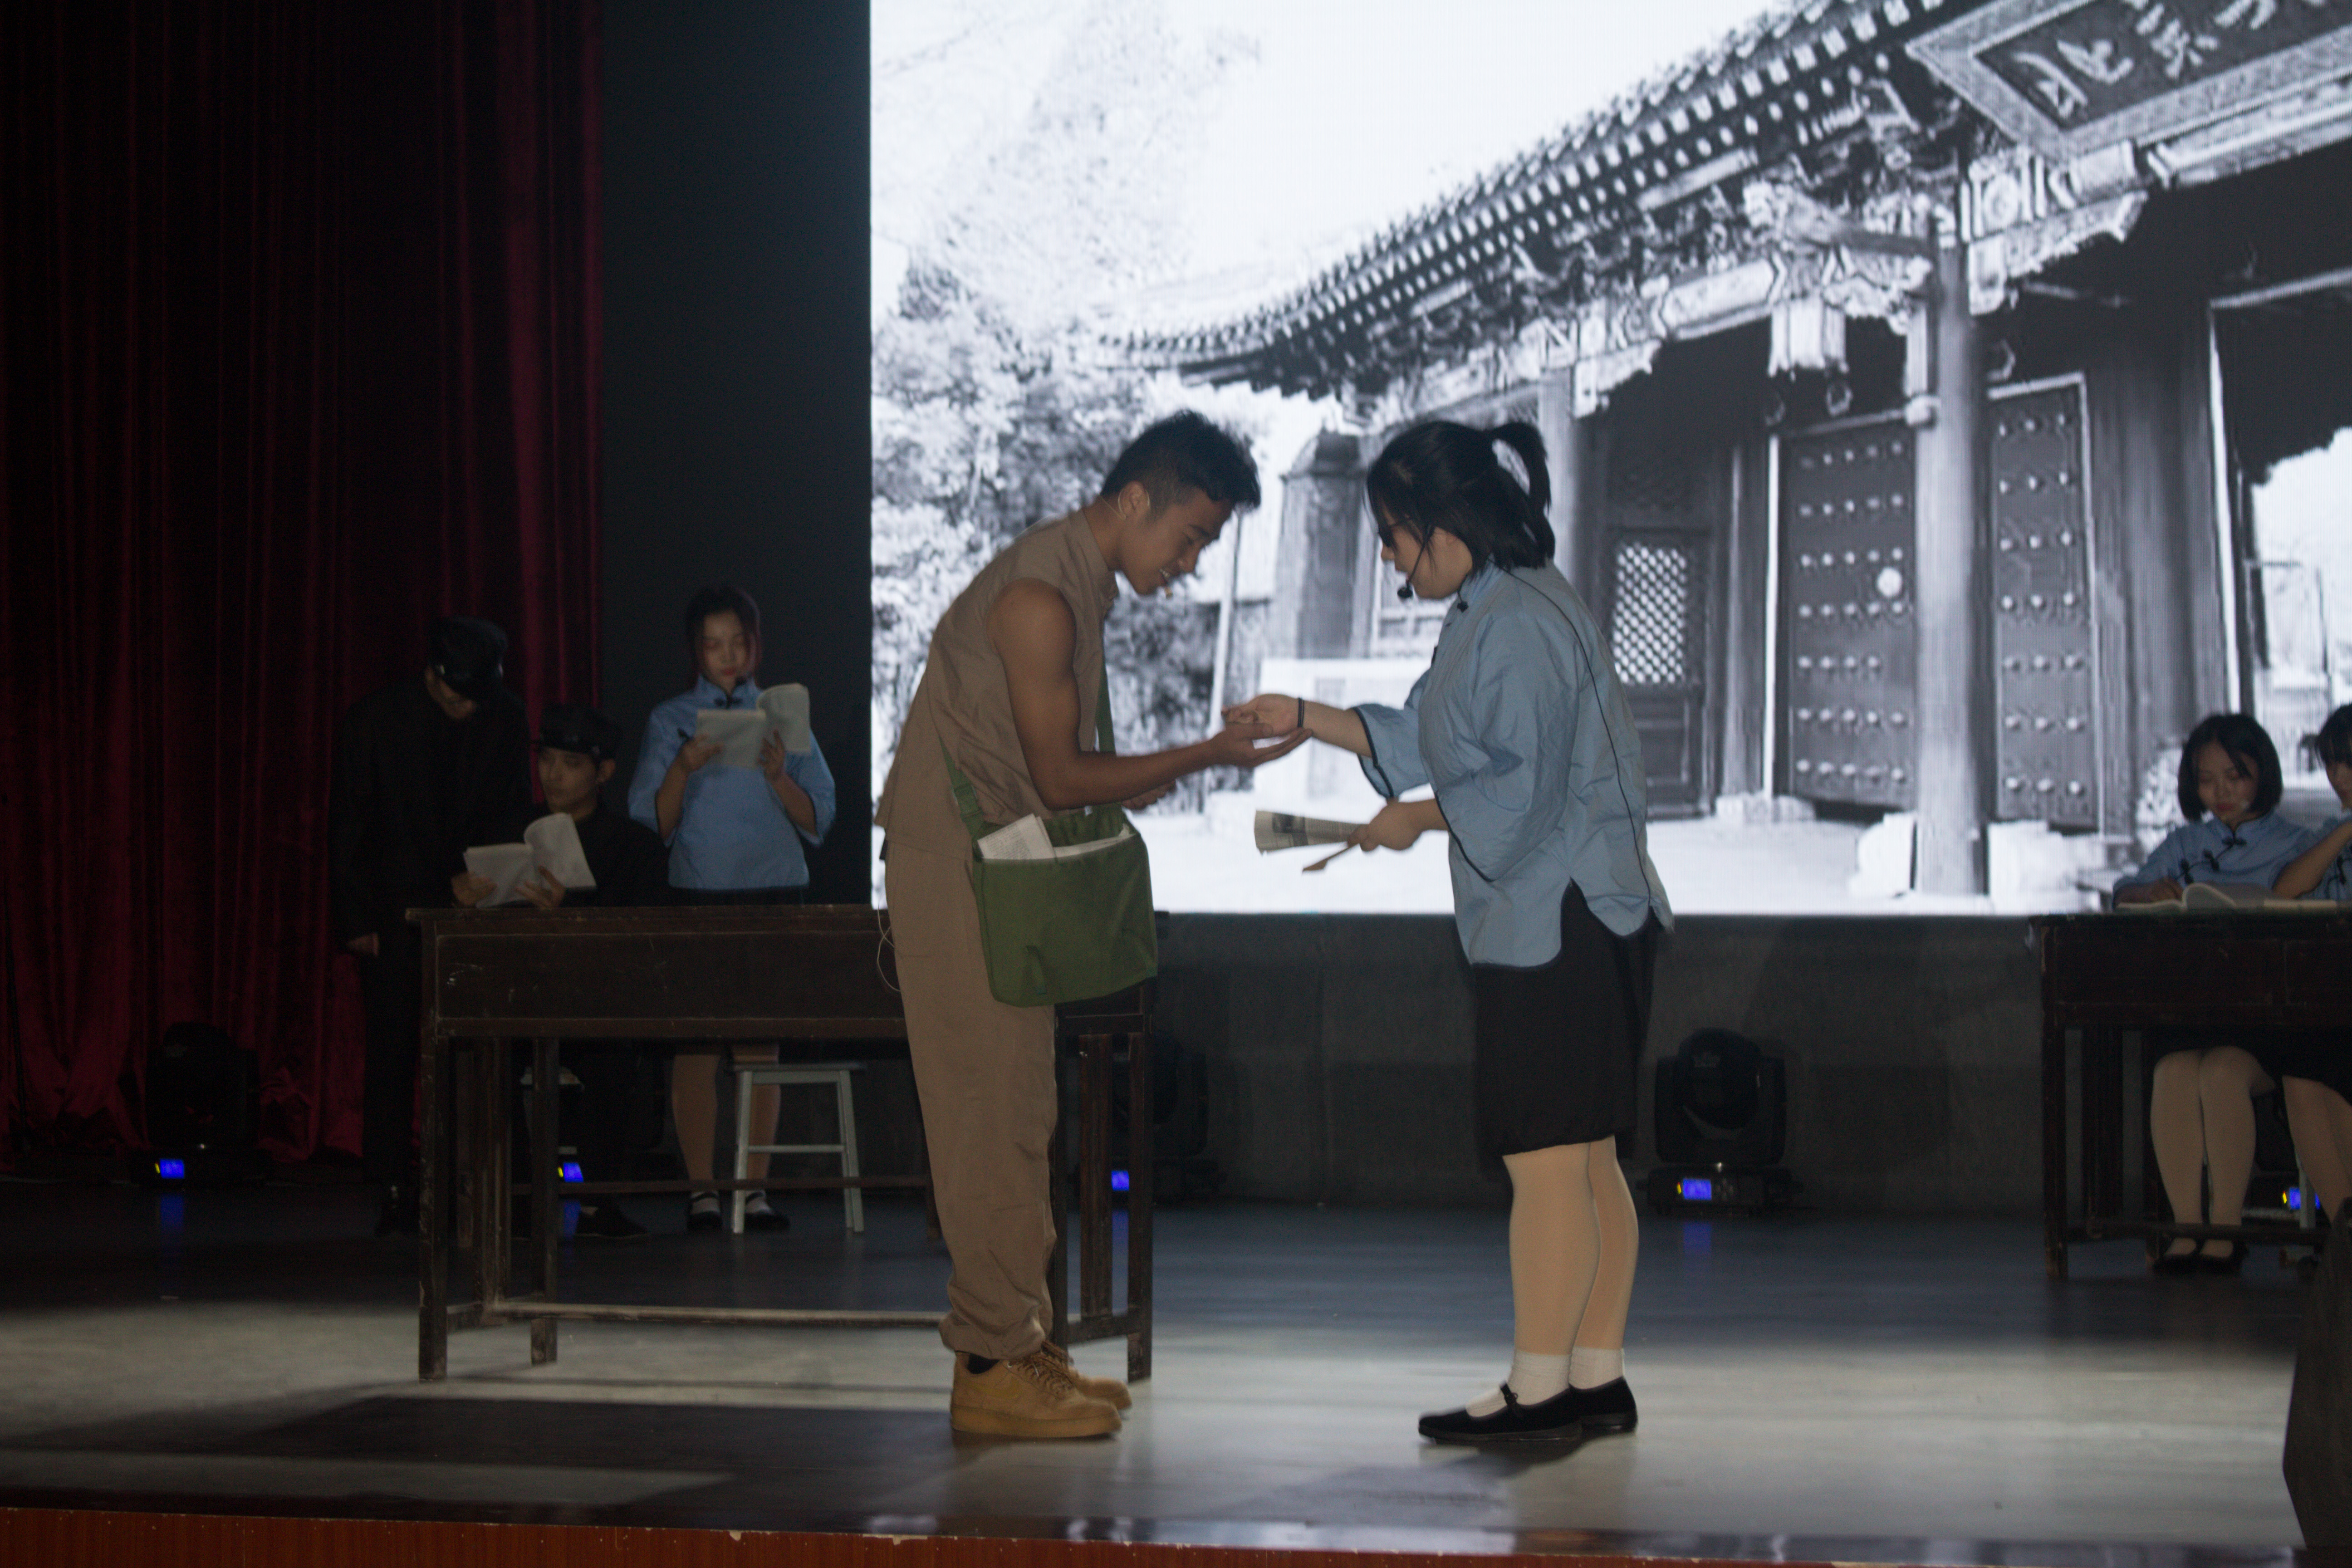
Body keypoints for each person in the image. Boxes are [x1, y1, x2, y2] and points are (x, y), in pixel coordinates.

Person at [1228, 419, 1671, 1446]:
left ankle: (1541, 1389)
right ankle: (1592, 1377)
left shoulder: (1514, 621)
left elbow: (1517, 793)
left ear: (1444, 521)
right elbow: (1428, 731)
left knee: (1546, 1161)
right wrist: (1305, 715)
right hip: (1584, 914)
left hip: (1558, 918)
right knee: (1585, 1159)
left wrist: (1417, 819)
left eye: (1394, 536)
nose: (1390, 560)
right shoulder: (1497, 604)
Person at [877, 411, 1305, 1439]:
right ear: (1133, 500)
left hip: (992, 872)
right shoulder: (1038, 598)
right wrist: (1207, 754)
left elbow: (1059, 773)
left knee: (1020, 1111)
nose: (1190, 563)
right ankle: (989, 1362)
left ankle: (1019, 1341)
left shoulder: (1073, 585)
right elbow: (1064, 778)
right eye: (1189, 537)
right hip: (958, 875)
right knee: (988, 1117)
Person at [627, 586, 836, 1234]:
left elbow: (820, 818)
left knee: (759, 1045)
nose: (727, 656)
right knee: (695, 1046)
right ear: (696, 650)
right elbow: (654, 823)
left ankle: (754, 1190)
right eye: (713, 644)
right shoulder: (670, 718)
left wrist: (778, 776)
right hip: (699, 894)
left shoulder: (782, 715)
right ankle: (702, 1193)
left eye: (738, 643)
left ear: (755, 646)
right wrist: (683, 767)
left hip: (773, 893)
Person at [329, 616, 532, 1236]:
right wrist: (356, 918)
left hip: (476, 902)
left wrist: (496, 884)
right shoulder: (374, 720)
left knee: (486, 1048)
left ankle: (492, 1182)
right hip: (395, 907)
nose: (468, 709)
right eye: (458, 698)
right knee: (394, 1047)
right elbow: (350, 825)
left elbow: (511, 809)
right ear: (433, 676)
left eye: (478, 699)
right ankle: (394, 1184)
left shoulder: (504, 716)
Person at [454, 703, 671, 1240]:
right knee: (485, 1054)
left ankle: (598, 1202)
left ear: (603, 772)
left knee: (615, 1057)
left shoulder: (634, 846)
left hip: (595, 1004)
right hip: (519, 1001)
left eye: (571, 764)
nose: (553, 774)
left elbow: (640, 941)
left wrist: (570, 913)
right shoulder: (506, 831)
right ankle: (515, 1199)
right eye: (547, 759)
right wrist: (464, 899)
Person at [2114, 713, 2317, 1272]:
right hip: (2199, 1008)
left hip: (2270, 1018)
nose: (2220, 792)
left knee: (2222, 1074)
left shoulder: (2297, 843)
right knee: (2171, 1071)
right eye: (2206, 780)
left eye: (2235, 776)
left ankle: (2225, 1230)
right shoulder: (2185, 843)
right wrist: (2146, 895)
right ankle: (2187, 1230)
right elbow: (2124, 892)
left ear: (2262, 773)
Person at [2271, 706, 2352, 1222]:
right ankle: (2343, 1225)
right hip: (2332, 995)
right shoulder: (2324, 833)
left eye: (2349, 763)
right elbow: (2287, 889)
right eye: (2332, 764)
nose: (2339, 776)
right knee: (2302, 1070)